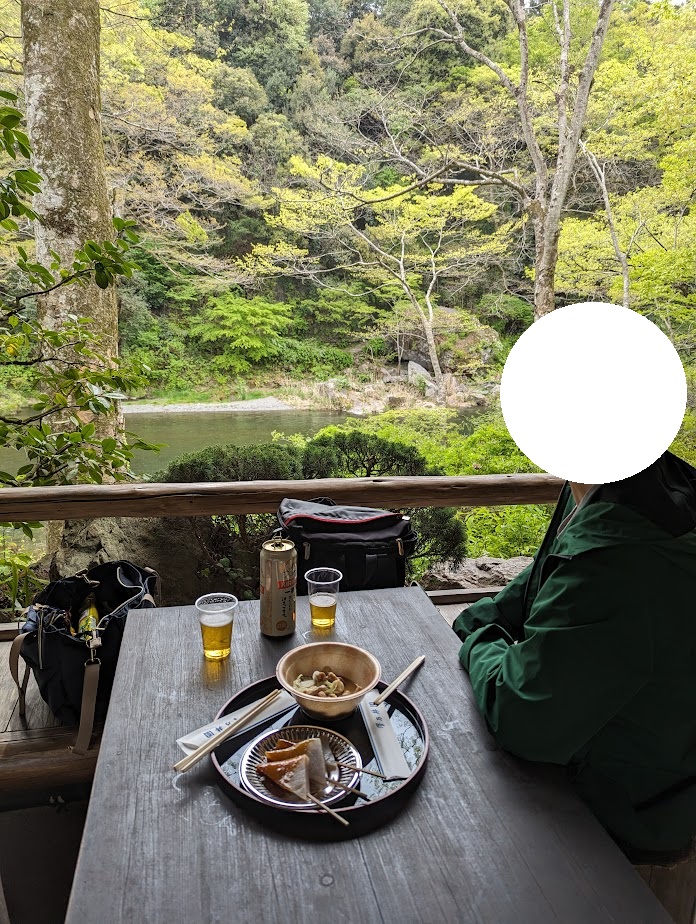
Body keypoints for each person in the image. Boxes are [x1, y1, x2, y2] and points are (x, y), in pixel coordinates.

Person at [453, 449, 696, 862]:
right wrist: (487, 615)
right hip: (614, 759)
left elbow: (523, 715)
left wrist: (481, 639)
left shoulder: (622, 554)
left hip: (627, 813)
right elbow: (553, 573)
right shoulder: (631, 483)